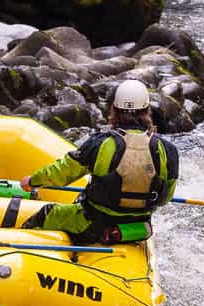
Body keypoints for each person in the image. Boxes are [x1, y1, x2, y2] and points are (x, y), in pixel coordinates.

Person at [18, 80, 179, 244]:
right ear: (147, 111)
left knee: (46, 213)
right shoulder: (168, 150)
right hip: (138, 226)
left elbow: (63, 172)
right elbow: (166, 197)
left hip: (94, 224)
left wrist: (33, 180)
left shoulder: (100, 143)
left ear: (114, 110)